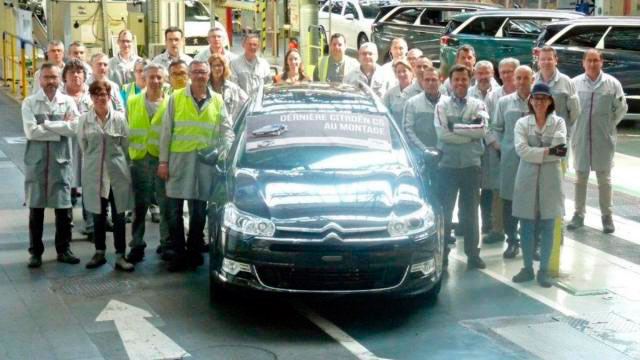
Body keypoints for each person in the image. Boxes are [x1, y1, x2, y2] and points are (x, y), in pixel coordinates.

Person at [158, 60, 235, 272]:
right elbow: (166, 132)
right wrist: (163, 162)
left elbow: (227, 132)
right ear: (189, 75)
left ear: (209, 75)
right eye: (196, 72)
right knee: (174, 212)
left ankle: (193, 252)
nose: (200, 75)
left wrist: (224, 152)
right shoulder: (176, 98)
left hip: (204, 165)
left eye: (203, 72)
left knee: (199, 212)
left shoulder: (217, 100)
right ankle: (178, 254)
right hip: (178, 162)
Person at [22, 63, 80, 268]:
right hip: (36, 164)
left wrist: (46, 125)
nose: (50, 82)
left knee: (63, 209)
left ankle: (63, 250)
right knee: (36, 209)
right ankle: (35, 253)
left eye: (54, 77)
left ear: (60, 80)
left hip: (60, 163)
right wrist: (59, 130)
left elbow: (75, 128)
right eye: (46, 77)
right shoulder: (29, 103)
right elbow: (31, 132)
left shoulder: (68, 102)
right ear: (40, 80)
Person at [511, 83, 567, 288]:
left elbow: (562, 151)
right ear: (530, 100)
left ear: (550, 101)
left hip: (551, 180)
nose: (539, 102)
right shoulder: (522, 123)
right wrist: (547, 151)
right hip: (526, 179)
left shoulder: (559, 122)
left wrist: (535, 151)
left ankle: (543, 271)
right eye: (536, 98)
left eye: (544, 98)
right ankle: (527, 268)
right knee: (526, 224)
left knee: (548, 225)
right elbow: (521, 150)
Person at [434, 64, 489, 270]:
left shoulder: (479, 104)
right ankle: (443, 255)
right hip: (447, 166)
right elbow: (442, 135)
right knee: (445, 212)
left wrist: (454, 127)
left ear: (470, 80)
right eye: (456, 79)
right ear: (450, 82)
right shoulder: (442, 105)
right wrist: (469, 135)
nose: (460, 83)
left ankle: (473, 254)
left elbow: (482, 130)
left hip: (471, 166)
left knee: (471, 212)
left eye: (464, 79)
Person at [568, 49, 627, 234]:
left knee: (605, 179)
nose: (592, 64)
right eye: (589, 60)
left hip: (603, 138)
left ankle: (607, 216)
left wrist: (609, 125)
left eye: (596, 60)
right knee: (580, 178)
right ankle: (578, 214)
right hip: (581, 137)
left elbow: (621, 108)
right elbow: (570, 109)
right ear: (583, 63)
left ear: (602, 62)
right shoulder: (575, 83)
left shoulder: (612, 84)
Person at [78, 80, 134, 271]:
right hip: (95, 176)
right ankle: (99, 252)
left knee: (119, 217)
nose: (101, 98)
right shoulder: (84, 120)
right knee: (98, 216)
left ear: (110, 97)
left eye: (105, 95)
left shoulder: (119, 118)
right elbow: (83, 146)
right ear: (91, 98)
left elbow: (126, 148)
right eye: (97, 95)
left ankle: (120, 255)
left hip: (117, 176)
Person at [126, 63, 172, 263]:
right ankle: (137, 244)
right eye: (151, 77)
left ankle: (166, 243)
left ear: (165, 80)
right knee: (139, 207)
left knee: (165, 204)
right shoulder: (133, 101)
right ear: (144, 79)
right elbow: (127, 130)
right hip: (139, 161)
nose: (155, 81)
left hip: (162, 161)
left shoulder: (171, 103)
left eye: (159, 77)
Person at [494, 65, 534, 259]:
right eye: (518, 78)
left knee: (533, 201)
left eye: (525, 78)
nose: (521, 82)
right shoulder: (504, 103)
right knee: (509, 201)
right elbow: (496, 128)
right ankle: (512, 241)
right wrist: (503, 148)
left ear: (532, 80)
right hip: (510, 159)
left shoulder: (541, 101)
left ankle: (534, 244)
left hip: (533, 160)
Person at [483, 57, 519, 245]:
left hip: (523, 152)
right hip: (500, 150)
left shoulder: (526, 94)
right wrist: (497, 145)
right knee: (499, 191)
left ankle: (519, 231)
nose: (505, 75)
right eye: (502, 72)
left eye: (509, 71)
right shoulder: (493, 96)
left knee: (521, 190)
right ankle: (498, 229)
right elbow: (486, 124)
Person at [61, 59, 94, 241]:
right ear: (64, 77)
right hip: (65, 148)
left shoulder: (93, 95)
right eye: (71, 72)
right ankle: (65, 230)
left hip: (89, 149)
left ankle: (90, 227)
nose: (76, 75)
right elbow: (58, 124)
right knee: (65, 190)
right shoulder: (58, 97)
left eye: (79, 72)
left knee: (90, 189)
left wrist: (74, 122)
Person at [468, 61, 499, 240]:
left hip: (493, 147)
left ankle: (490, 225)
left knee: (491, 188)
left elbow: (494, 121)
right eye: (480, 73)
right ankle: (474, 224)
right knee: (473, 188)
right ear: (475, 74)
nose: (483, 76)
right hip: (472, 144)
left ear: (492, 73)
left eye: (486, 73)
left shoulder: (499, 92)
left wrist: (491, 139)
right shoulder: (470, 93)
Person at [534, 46, 580, 139]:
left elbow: (575, 111)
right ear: (538, 62)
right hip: (537, 137)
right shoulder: (532, 81)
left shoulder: (567, 82)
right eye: (543, 59)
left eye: (549, 59)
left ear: (556, 60)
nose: (546, 62)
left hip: (560, 136)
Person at [403, 65, 441, 175]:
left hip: (443, 159)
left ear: (440, 81)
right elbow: (407, 130)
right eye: (427, 80)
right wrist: (425, 150)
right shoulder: (412, 103)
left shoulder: (447, 103)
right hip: (419, 159)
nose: (430, 83)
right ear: (422, 82)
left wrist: (440, 151)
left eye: (434, 80)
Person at [208, 54, 248, 121]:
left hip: (227, 128)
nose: (216, 68)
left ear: (224, 67)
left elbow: (247, 102)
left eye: (219, 65)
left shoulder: (233, 88)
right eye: (213, 66)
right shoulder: (203, 88)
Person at [383, 59, 419, 126]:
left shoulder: (418, 91)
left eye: (404, 71)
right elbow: (385, 115)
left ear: (411, 72)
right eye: (398, 72)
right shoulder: (390, 94)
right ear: (395, 75)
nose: (401, 74)